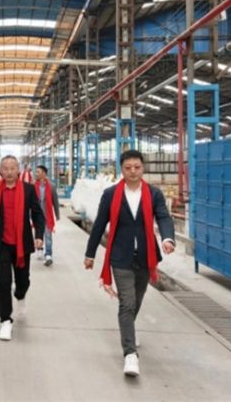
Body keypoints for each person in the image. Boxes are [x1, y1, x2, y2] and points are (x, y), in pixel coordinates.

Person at [84, 150, 176, 377]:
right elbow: (99, 224)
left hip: (146, 256)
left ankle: (129, 331)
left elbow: (163, 217)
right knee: (127, 302)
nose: (133, 171)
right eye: (128, 168)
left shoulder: (153, 194)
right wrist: (90, 253)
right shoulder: (110, 194)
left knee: (136, 300)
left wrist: (167, 238)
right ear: (121, 170)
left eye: (137, 167)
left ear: (143, 168)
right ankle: (130, 354)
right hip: (120, 256)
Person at [0, 155, 45, 341]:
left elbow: (37, 214)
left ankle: (20, 295)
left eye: (12, 168)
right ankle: (5, 321)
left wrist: (39, 236)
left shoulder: (28, 190)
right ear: (0, 170)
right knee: (4, 282)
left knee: (23, 281)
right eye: (5, 168)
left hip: (22, 243)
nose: (9, 172)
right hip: (1, 244)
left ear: (18, 170)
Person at [34, 165, 60, 266]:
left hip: (47, 216)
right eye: (36, 172)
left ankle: (48, 254)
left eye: (38, 172)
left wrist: (57, 214)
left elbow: (55, 201)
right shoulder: (33, 186)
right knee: (38, 234)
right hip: (37, 216)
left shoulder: (51, 186)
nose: (36, 174)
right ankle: (39, 249)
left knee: (48, 236)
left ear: (44, 173)